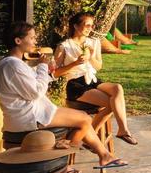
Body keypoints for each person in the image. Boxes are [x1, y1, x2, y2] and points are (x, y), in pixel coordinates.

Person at [0, 21, 127, 173]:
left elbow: (33, 84)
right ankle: (64, 163)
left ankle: (103, 156)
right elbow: (36, 92)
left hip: (31, 113)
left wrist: (47, 71)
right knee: (84, 119)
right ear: (18, 40)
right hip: (29, 117)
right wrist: (42, 66)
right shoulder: (12, 66)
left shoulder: (13, 63)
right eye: (32, 38)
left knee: (82, 119)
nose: (35, 41)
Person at [54, 12, 138, 145]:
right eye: (87, 25)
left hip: (92, 79)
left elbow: (98, 66)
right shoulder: (64, 46)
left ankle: (122, 130)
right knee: (113, 103)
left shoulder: (93, 43)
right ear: (76, 26)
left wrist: (91, 56)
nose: (90, 28)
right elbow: (55, 73)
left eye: (92, 26)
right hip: (76, 84)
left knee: (117, 88)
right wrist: (75, 63)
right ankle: (90, 137)